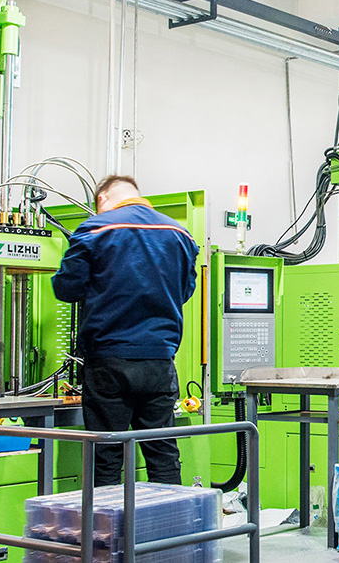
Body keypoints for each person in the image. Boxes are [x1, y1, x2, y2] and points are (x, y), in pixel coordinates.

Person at [53, 175, 199, 487]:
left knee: (107, 456)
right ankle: (169, 519)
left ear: (102, 199)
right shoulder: (179, 233)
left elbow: (66, 289)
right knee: (163, 455)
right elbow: (185, 291)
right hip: (160, 362)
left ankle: (106, 520)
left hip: (109, 362)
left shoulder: (96, 228)